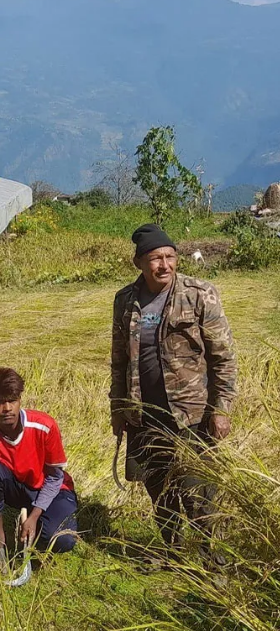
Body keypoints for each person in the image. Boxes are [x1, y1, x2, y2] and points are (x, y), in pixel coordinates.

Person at [110, 224, 237, 561]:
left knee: (200, 491)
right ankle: (174, 554)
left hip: (192, 414)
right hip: (145, 414)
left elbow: (223, 357)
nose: (164, 265)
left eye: (169, 256)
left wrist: (221, 409)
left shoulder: (199, 294)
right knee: (159, 488)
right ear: (139, 262)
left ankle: (213, 563)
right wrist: (118, 409)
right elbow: (118, 360)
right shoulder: (125, 300)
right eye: (155, 258)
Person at [0, 367, 78, 558]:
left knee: (63, 539)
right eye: (0, 402)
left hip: (53, 489)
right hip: (18, 488)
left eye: (12, 401)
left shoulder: (44, 426)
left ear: (20, 400)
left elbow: (55, 477)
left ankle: (41, 527)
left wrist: (34, 516)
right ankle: (1, 542)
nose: (7, 409)